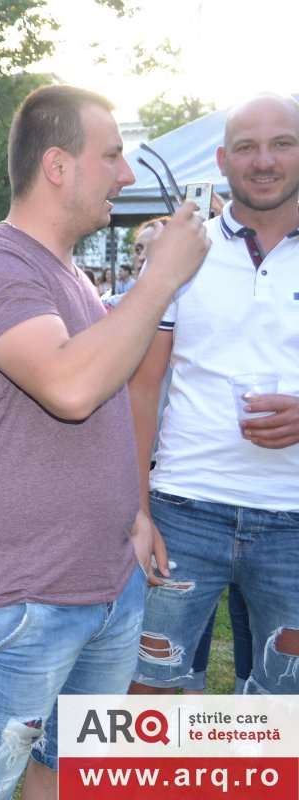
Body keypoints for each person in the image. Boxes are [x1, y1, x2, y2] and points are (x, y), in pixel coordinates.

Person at [0, 84, 209, 800]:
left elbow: (107, 404)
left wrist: (132, 511)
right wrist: (161, 276)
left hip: (105, 587)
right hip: (24, 604)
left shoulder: (67, 272)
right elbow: (70, 387)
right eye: (111, 156)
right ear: (57, 165)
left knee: (65, 774)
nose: (127, 174)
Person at [128, 93, 299, 698]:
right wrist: (138, 508)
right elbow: (141, 386)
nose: (264, 161)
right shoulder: (182, 250)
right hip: (184, 509)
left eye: (282, 144)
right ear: (223, 161)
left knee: (284, 708)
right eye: (247, 147)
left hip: (293, 519)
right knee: (145, 694)